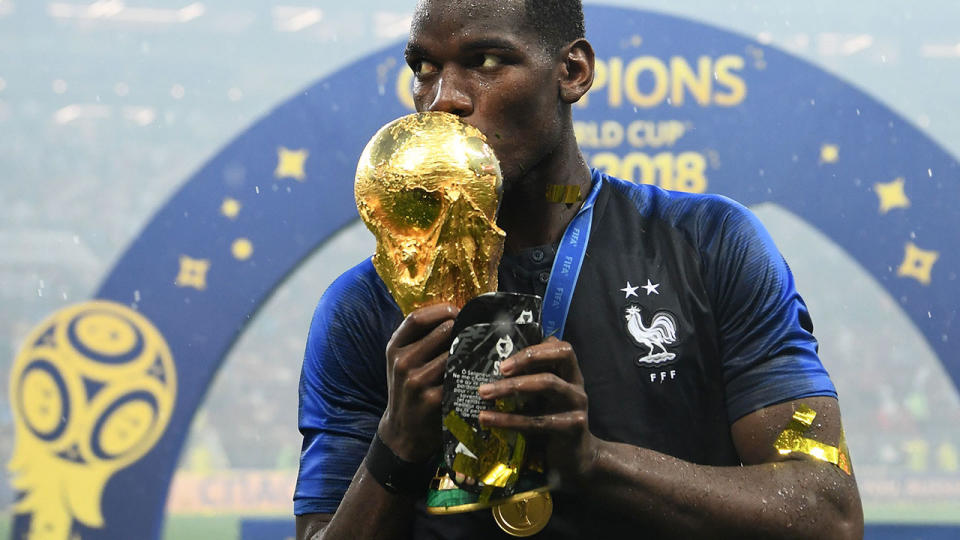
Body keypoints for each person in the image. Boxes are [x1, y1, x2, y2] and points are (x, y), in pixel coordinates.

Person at [295, 0, 864, 538]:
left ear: (572, 71)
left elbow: (828, 513)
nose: (443, 99)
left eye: (486, 61)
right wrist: (396, 446)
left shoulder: (709, 246)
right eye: (423, 67)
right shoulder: (364, 306)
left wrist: (594, 464)